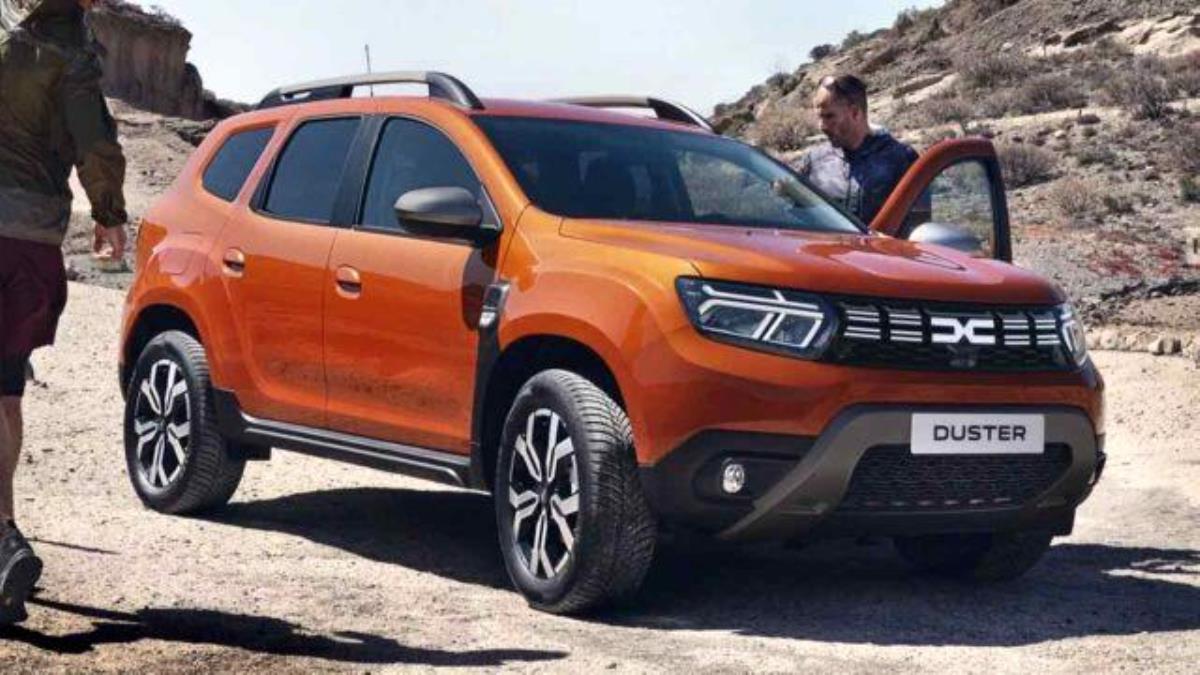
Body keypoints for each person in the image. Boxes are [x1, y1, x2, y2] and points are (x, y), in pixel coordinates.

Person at [0, 0, 128, 625]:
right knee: (4, 394)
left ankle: (3, 539)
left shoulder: (12, 43)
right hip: (27, 242)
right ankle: (4, 533)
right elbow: (93, 142)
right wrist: (108, 214)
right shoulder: (69, 56)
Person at [796, 74, 923, 227]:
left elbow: (919, 229)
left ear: (855, 113)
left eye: (829, 116)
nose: (821, 126)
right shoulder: (814, 162)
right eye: (819, 117)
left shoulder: (902, 161)